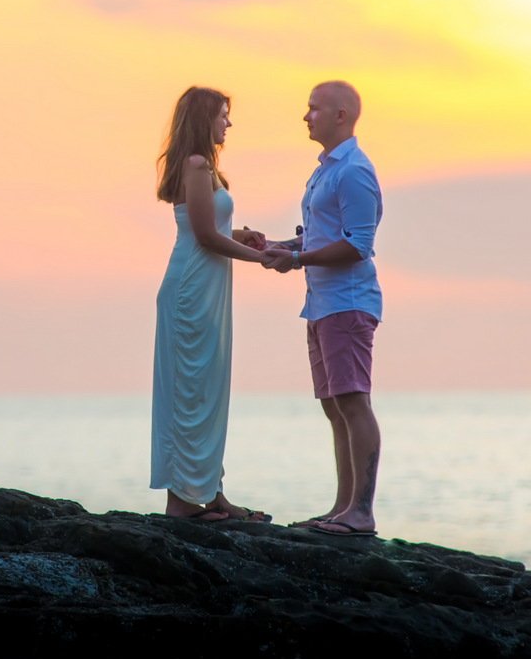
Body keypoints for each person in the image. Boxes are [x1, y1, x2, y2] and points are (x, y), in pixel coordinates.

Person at [261, 81, 383, 536]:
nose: (305, 116)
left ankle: (362, 513)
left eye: (313, 108)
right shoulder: (326, 170)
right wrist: (279, 245)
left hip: (347, 305)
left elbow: (358, 244)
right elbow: (320, 237)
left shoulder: (353, 170)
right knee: (335, 407)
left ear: (341, 115)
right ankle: (342, 507)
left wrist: (296, 259)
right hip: (321, 305)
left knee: (353, 403)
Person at [150, 86, 272, 522]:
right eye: (223, 115)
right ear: (205, 119)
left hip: (208, 286)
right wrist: (263, 258)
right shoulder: (197, 165)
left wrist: (244, 237)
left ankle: (211, 492)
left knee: (208, 388)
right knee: (190, 389)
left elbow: (212, 229)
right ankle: (182, 500)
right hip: (192, 289)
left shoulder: (207, 169)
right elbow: (203, 236)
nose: (229, 123)